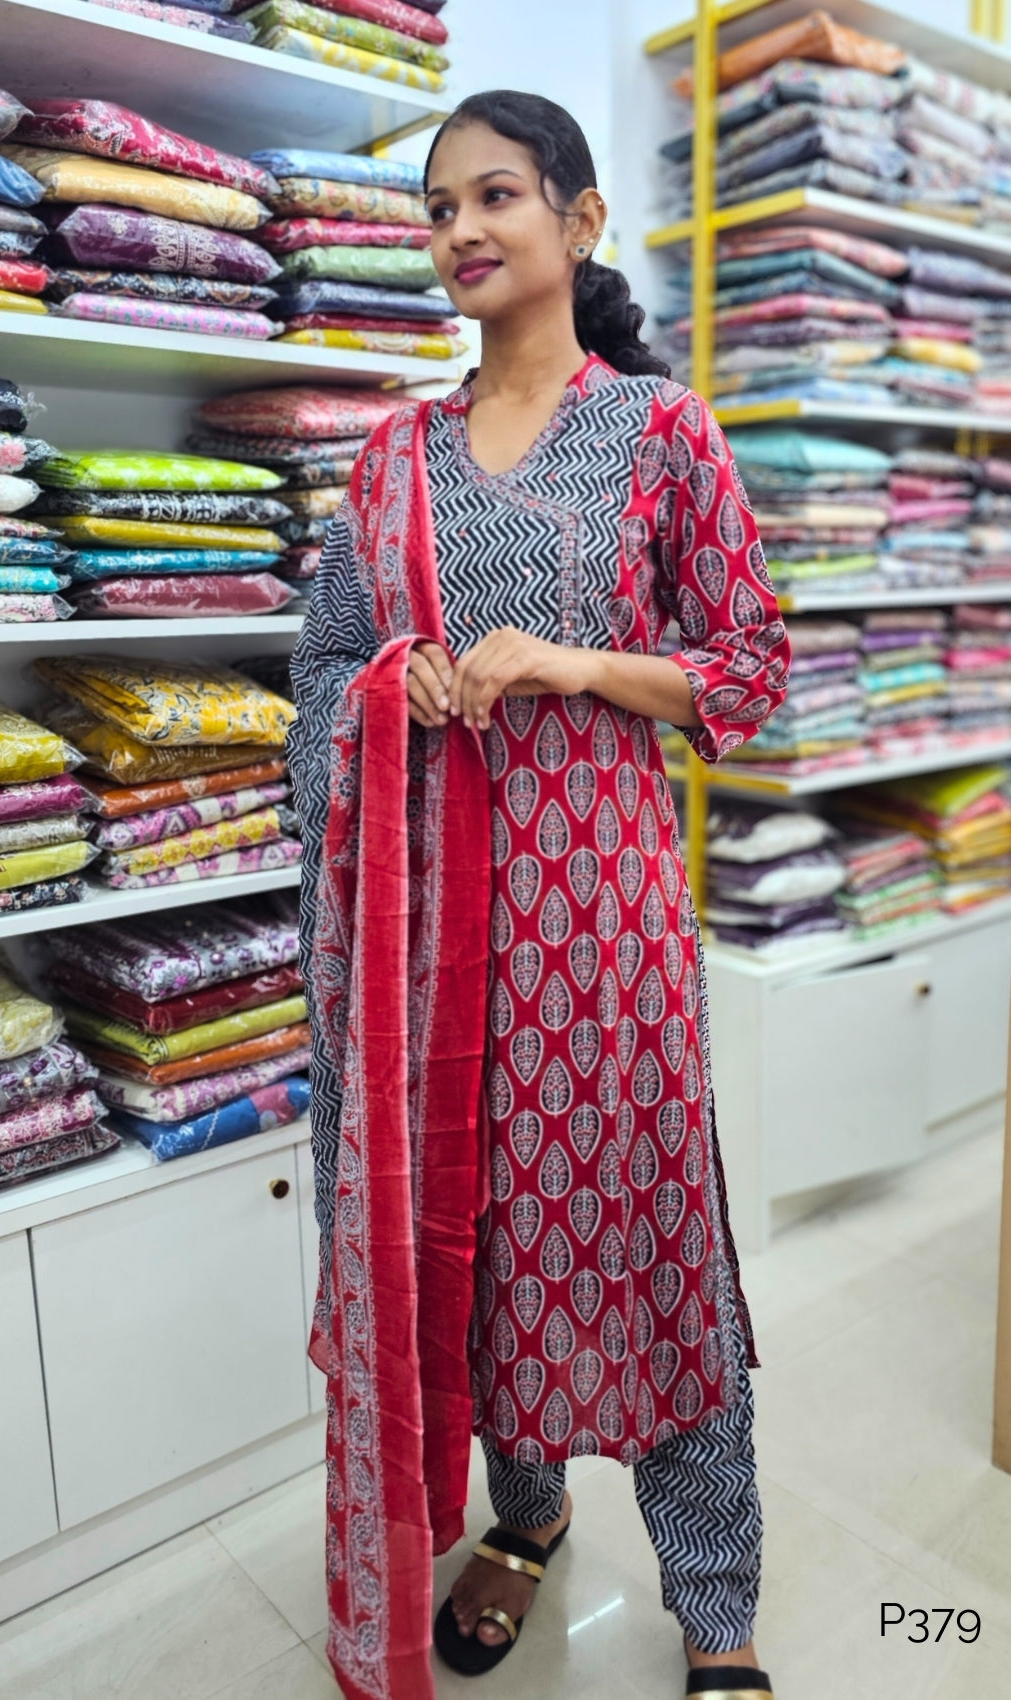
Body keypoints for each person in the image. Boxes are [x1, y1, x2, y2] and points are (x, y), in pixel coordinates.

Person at [289, 89, 790, 1700]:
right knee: (480, 1236)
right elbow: (317, 672)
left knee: (647, 1240)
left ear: (578, 220)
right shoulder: (391, 461)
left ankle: (718, 1606)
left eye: (494, 196)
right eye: (437, 209)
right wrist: (392, 680)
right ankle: (523, 1519)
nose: (458, 233)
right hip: (435, 932)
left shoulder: (661, 433)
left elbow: (753, 671)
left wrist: (573, 662)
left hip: (603, 927)